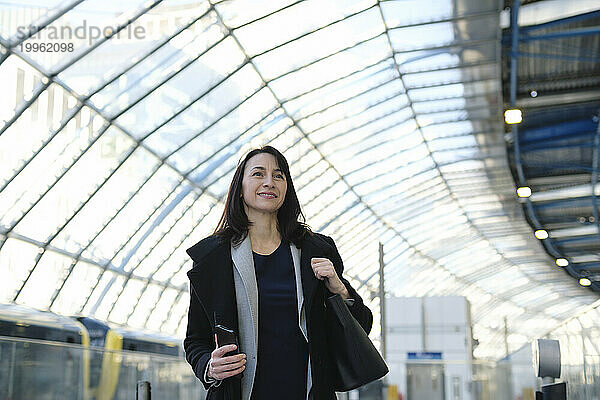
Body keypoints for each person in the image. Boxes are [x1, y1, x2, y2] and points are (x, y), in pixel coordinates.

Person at [184, 146, 373, 400]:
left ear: (287, 189)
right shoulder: (213, 259)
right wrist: (209, 367)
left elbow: (361, 327)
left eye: (278, 175)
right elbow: (195, 340)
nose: (269, 182)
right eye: (258, 174)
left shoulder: (315, 250)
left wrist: (340, 289)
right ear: (240, 188)